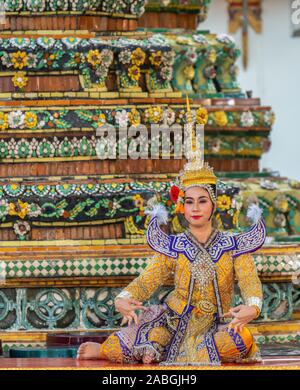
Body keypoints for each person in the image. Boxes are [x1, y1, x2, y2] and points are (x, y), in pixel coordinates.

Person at [77, 156, 266, 365]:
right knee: (117, 347)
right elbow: (148, 279)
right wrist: (123, 298)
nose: (195, 208)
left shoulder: (233, 245)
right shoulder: (174, 246)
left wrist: (253, 307)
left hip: (218, 321)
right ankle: (109, 349)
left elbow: (249, 280)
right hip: (173, 320)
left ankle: (170, 351)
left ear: (214, 205)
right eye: (189, 202)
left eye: (202, 201)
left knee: (241, 340)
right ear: (182, 207)